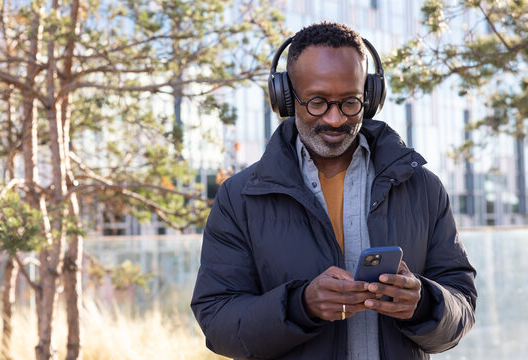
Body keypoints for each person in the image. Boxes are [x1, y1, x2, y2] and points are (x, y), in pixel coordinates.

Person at [191, 22, 476, 360]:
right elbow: (219, 324)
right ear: (285, 97)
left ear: (370, 98)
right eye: (317, 102)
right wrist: (301, 306)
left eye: (349, 102)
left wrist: (425, 303)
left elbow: (462, 307)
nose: (336, 118)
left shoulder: (422, 188)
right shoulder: (240, 199)